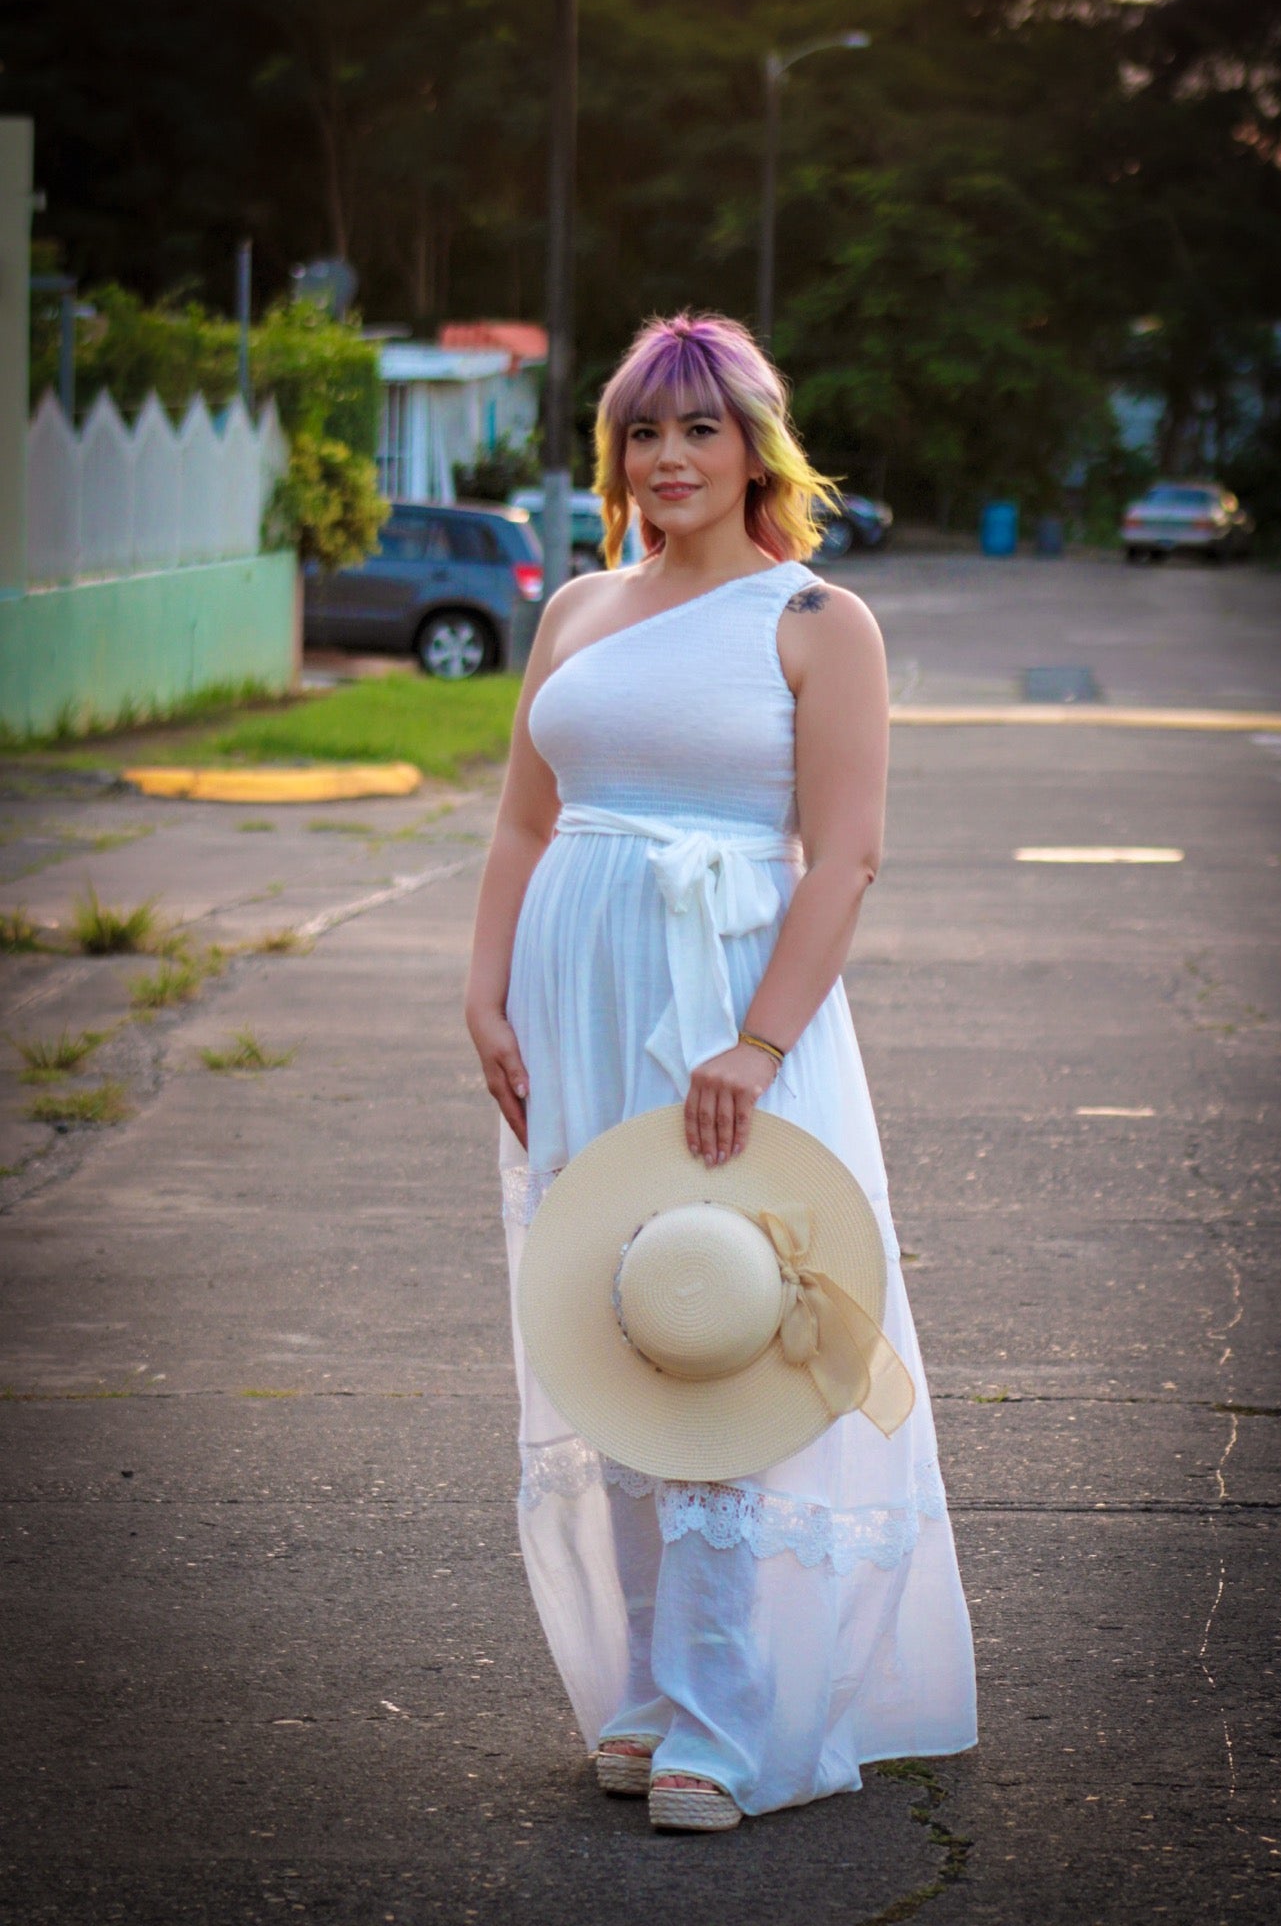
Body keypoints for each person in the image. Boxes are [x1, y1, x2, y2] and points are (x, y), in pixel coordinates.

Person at [465, 311, 977, 1830]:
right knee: (613, 1328)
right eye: (640, 430)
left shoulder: (818, 618)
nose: (666, 457)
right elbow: (519, 823)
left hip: (727, 1019)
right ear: (611, 452)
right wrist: (482, 993)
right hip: (572, 1005)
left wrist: (754, 1044)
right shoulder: (573, 608)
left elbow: (848, 853)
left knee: (731, 1333)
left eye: (698, 429)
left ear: (755, 446)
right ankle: (641, 1696)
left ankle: (721, 1725)